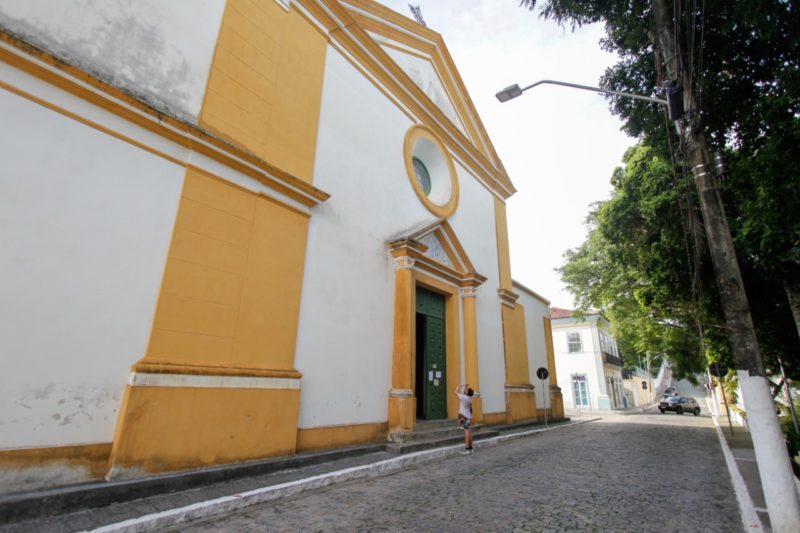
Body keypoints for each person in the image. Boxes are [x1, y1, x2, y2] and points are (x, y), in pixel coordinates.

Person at [455, 383, 474, 454]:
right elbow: (464, 394)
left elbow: (455, 392)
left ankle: (467, 449)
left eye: (466, 390)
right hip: (468, 417)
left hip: (464, 417)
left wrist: (460, 386)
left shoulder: (464, 398)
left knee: (466, 432)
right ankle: (471, 448)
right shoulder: (469, 398)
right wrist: (466, 387)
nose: (465, 390)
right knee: (469, 432)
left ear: (467, 392)